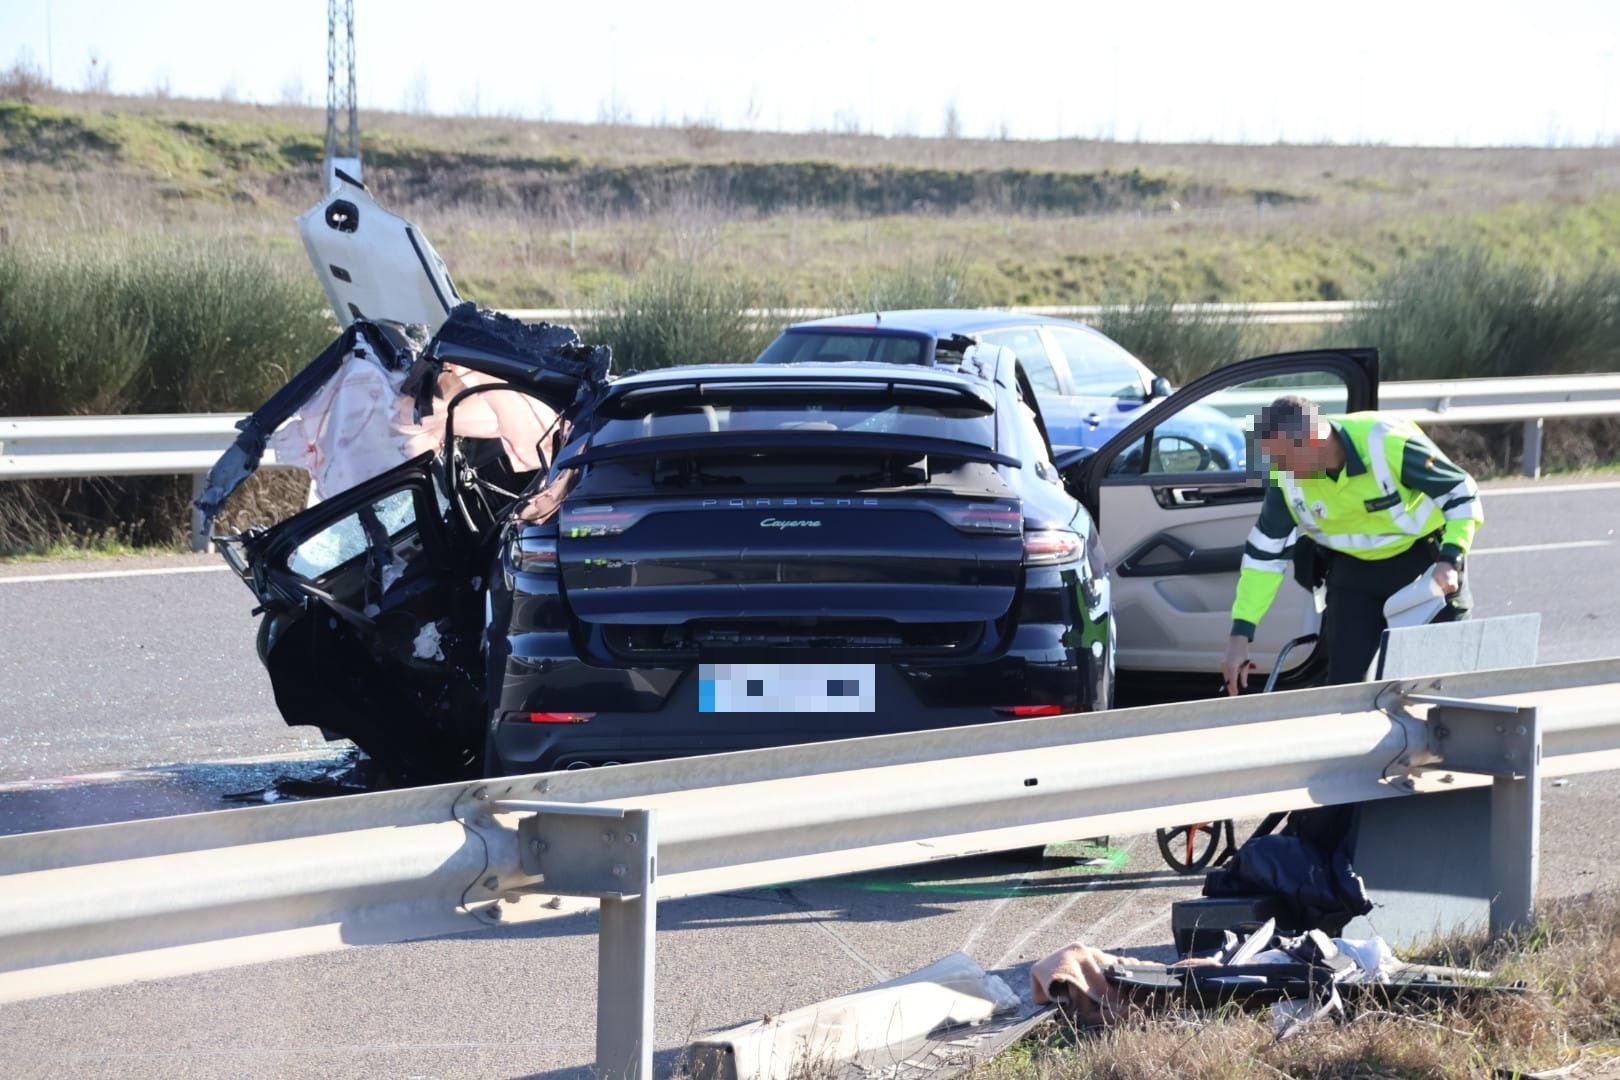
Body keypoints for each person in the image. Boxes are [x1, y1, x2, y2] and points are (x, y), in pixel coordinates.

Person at [1221, 395, 1483, 695]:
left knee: (1445, 679)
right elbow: (1263, 557)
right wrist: (1239, 636)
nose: (1277, 469)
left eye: (1282, 459)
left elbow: (1462, 494)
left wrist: (1451, 559)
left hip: (1424, 568)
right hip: (1352, 575)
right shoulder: (1287, 480)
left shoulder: (1386, 442)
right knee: (1344, 690)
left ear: (1313, 441)